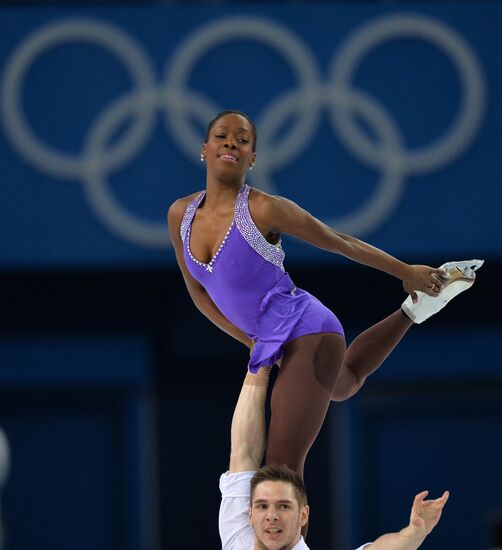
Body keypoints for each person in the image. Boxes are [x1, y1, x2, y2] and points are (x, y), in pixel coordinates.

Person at [168, 109, 482, 477]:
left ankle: (416, 298)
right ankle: (414, 311)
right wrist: (252, 342)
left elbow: (339, 241)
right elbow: (199, 296)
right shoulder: (180, 215)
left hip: (307, 331)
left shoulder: (264, 209)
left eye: (242, 139)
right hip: (271, 337)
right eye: (222, 136)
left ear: (252, 157)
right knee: (344, 382)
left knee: (282, 472)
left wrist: (405, 271)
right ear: (204, 148)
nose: (230, 143)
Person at [219, 366, 449, 549]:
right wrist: (258, 367)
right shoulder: (238, 535)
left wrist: (414, 532)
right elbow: (243, 451)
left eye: (283, 506)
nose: (271, 516)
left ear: (303, 515)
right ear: (249, 515)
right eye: (262, 506)